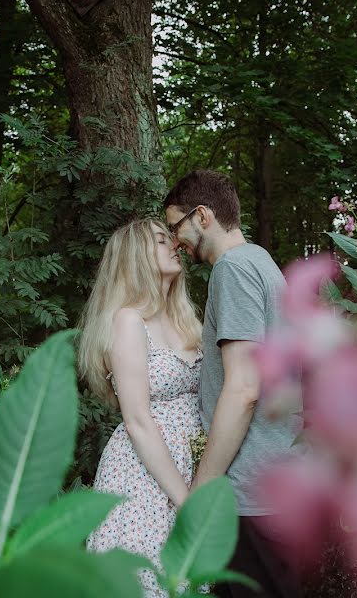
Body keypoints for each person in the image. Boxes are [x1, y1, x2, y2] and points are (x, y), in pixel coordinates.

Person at [164, 170, 303, 598]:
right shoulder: (261, 261)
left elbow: (243, 389)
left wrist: (201, 491)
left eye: (175, 227)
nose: (174, 242)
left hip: (250, 493)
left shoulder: (233, 270)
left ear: (202, 215)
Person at [79, 218, 205, 597]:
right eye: (161, 240)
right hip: (143, 478)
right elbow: (137, 421)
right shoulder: (128, 321)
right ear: (136, 258)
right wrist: (184, 499)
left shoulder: (184, 318)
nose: (175, 245)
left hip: (188, 465)